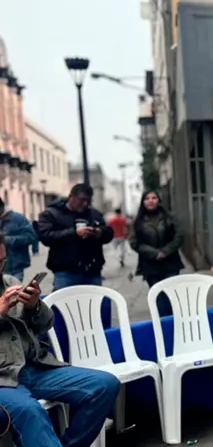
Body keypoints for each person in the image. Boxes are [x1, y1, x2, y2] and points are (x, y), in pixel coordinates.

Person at [0, 231, 121, 447]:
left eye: (1, 262)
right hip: (3, 380)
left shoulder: (8, 280)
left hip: (33, 367)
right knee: (29, 411)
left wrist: (34, 306)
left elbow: (44, 324)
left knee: (104, 385)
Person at [36, 184, 113, 290]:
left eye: (88, 201)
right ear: (71, 197)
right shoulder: (52, 213)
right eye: (81, 200)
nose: (85, 204)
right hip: (65, 271)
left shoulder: (94, 214)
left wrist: (98, 232)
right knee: (64, 304)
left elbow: (109, 233)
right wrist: (74, 233)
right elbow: (46, 237)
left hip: (92, 270)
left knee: (93, 305)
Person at [129, 191, 183, 317]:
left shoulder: (169, 217)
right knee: (159, 298)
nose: (151, 200)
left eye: (154, 198)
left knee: (172, 296)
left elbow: (179, 236)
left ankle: (176, 323)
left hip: (171, 262)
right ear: (143, 202)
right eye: (147, 198)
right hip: (150, 265)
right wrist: (154, 253)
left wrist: (165, 251)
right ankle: (164, 327)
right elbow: (134, 242)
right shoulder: (138, 221)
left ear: (159, 200)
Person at [0, 198, 37, 282]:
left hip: (15, 267)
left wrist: (9, 240)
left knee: (14, 292)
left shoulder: (18, 218)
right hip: (2, 267)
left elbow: (31, 236)